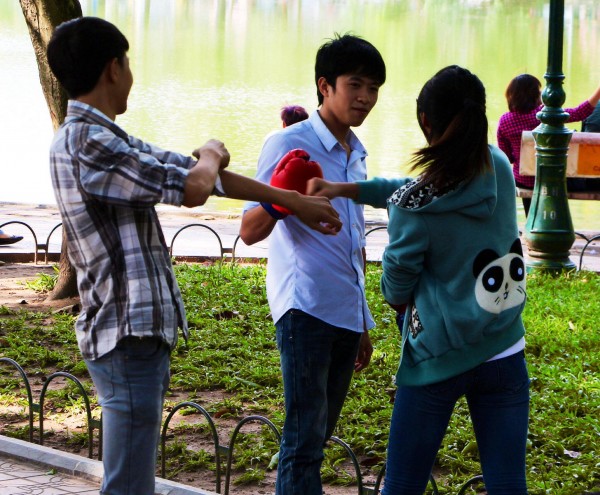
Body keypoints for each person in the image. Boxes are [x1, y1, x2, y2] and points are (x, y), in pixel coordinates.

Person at [46, 16, 341, 495]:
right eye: (128, 63)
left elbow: (202, 174)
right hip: (124, 331)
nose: (131, 74)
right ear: (113, 69)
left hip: (135, 332)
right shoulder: (87, 142)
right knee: (127, 484)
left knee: (132, 479)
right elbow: (194, 186)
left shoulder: (106, 138)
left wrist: (295, 201)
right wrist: (210, 152)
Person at [309, 65, 530, 494]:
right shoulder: (500, 167)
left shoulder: (415, 207)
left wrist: (398, 227)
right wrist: (344, 188)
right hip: (505, 347)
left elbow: (396, 286)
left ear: (426, 122)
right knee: (508, 484)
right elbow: (416, 186)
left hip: (436, 359)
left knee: (403, 484)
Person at [239, 33, 386, 494]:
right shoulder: (288, 142)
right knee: (304, 442)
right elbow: (249, 229)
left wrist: (362, 319)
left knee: (317, 437)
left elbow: (354, 240)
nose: (365, 97)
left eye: (374, 88)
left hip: (344, 310)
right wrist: (290, 202)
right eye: (355, 84)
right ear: (325, 85)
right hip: (304, 309)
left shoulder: (356, 153)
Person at [497, 73, 600, 215]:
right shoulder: (544, 115)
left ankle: (531, 222)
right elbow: (579, 113)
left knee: (528, 179)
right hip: (551, 178)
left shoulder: (505, 121)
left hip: (523, 180)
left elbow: (507, 157)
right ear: (535, 95)